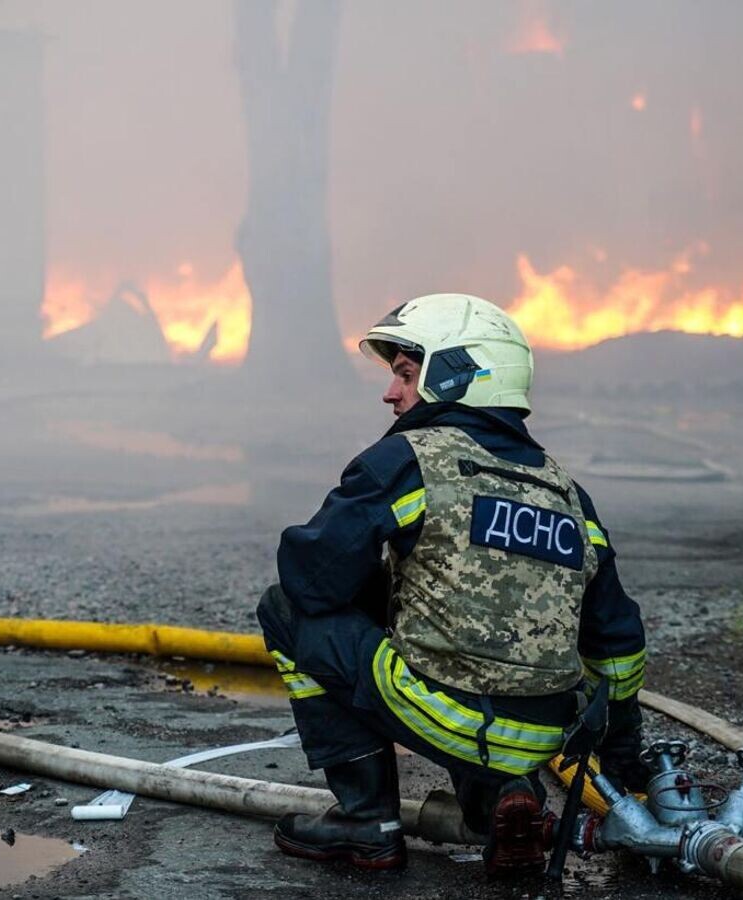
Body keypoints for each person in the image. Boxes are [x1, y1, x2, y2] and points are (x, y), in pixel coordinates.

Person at [256, 293, 648, 875]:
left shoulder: (409, 462)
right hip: (541, 738)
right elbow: (618, 644)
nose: (391, 394)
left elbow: (312, 580)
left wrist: (373, 582)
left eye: (407, 374)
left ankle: (367, 820)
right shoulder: (567, 493)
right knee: (468, 638)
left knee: (286, 610)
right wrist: (622, 773)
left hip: (449, 716)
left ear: (458, 373)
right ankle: (504, 802)